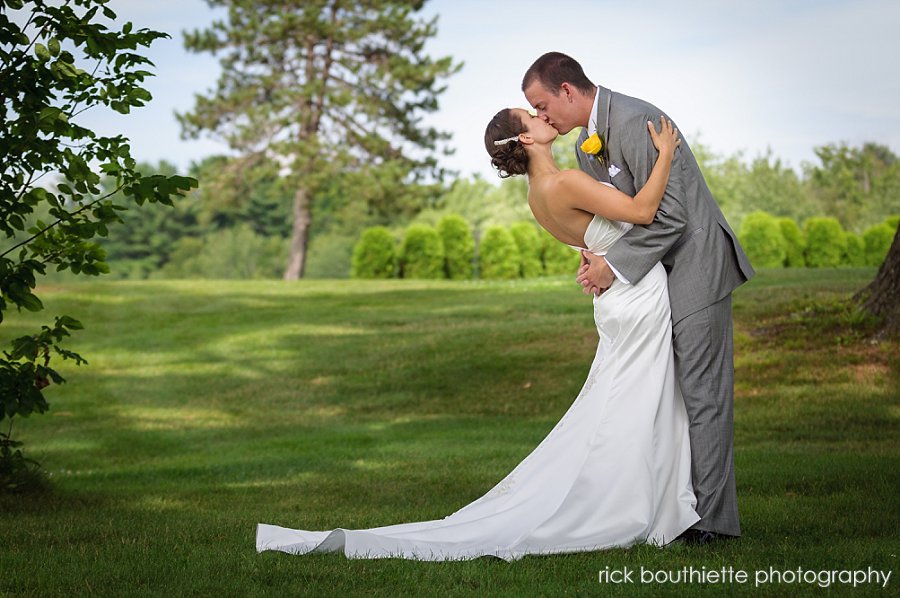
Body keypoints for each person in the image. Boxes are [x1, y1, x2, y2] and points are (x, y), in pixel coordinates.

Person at [255, 112, 700, 561]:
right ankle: (632, 500)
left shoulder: (537, 195)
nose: (543, 117)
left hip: (614, 299)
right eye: (533, 115)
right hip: (636, 295)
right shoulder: (563, 182)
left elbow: (594, 239)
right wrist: (664, 154)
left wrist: (595, 257)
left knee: (628, 399)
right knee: (640, 398)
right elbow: (642, 213)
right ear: (526, 136)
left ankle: (638, 490)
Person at [522, 51, 755, 544]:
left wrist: (614, 263)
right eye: (533, 112)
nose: (542, 118)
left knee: (702, 395)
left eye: (543, 105)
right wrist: (597, 250)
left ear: (567, 90)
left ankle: (713, 526)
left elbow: (669, 215)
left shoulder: (636, 120)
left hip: (696, 265)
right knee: (669, 395)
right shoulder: (587, 144)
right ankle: (675, 507)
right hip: (653, 278)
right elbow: (619, 216)